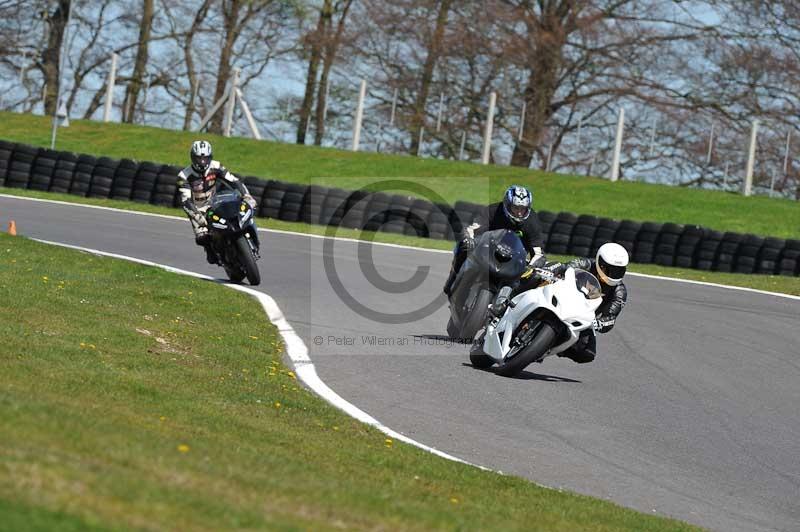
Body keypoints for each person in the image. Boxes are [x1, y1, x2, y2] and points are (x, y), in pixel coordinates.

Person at [443, 185, 545, 296]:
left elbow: (538, 251)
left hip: (515, 258)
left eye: (523, 209)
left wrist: (532, 266)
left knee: (534, 277)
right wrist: (469, 238)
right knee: (463, 245)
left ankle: (509, 303)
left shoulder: (532, 220)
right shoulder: (494, 210)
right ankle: (454, 278)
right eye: (516, 208)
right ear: (507, 205)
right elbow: (474, 228)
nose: (519, 213)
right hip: (489, 249)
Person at [177, 140, 257, 264]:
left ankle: (251, 240)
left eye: (205, 158)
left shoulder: (216, 166)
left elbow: (234, 181)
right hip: (198, 209)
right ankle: (210, 250)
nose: (202, 162)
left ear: (210, 157)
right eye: (199, 158)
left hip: (216, 201)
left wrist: (247, 195)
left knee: (242, 212)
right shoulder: (184, 176)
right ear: (193, 157)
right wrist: (197, 216)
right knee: (202, 237)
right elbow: (185, 201)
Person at [552, 242, 629, 364]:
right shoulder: (585, 264)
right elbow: (564, 267)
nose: (613, 274)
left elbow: (610, 318)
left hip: (583, 318)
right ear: (600, 264)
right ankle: (513, 300)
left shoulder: (619, 292)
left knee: (587, 354)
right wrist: (553, 271)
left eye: (618, 271)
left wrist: (599, 323)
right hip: (560, 299)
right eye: (609, 270)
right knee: (535, 276)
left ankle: (554, 347)